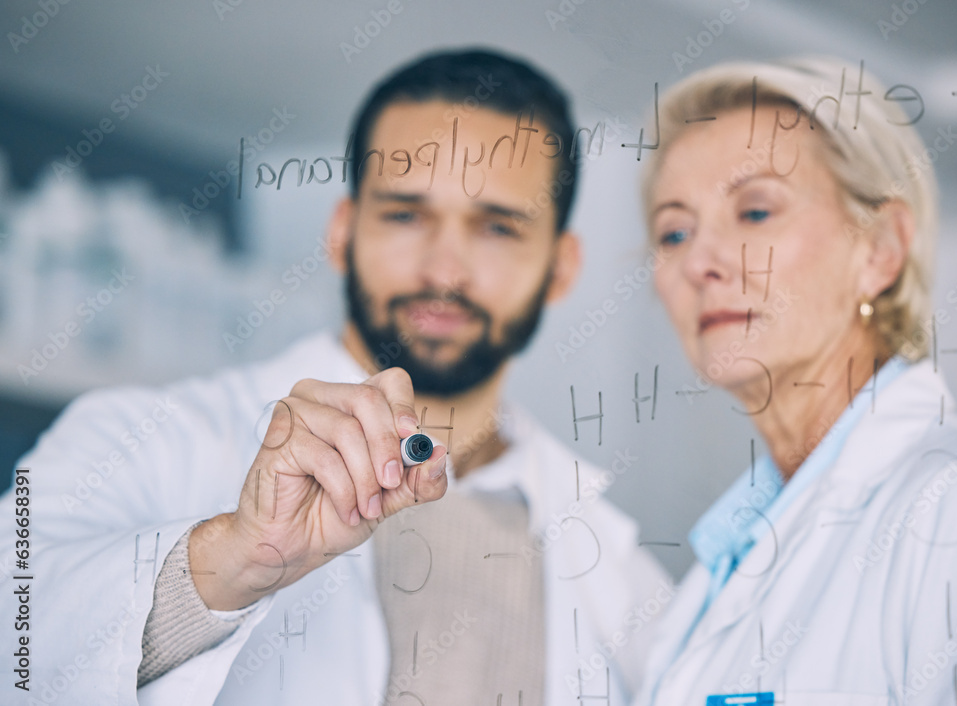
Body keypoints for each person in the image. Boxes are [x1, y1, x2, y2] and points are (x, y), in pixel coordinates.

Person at [0, 49, 671, 705]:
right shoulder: (135, 435)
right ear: (342, 232)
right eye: (406, 214)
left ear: (561, 266)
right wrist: (230, 561)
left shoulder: (621, 571)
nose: (444, 269)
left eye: (496, 227)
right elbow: (15, 630)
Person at [630, 57, 957, 705]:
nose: (701, 262)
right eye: (675, 231)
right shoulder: (715, 574)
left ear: (880, 248)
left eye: (755, 212)